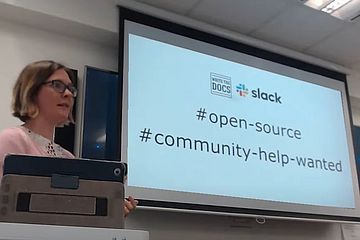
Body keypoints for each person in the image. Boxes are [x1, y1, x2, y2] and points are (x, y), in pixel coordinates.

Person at [0, 60, 137, 216]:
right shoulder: (11, 140)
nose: (68, 94)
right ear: (32, 89)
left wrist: (113, 213)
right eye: (57, 85)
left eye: (71, 89)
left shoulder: (67, 156)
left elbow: (70, 217)